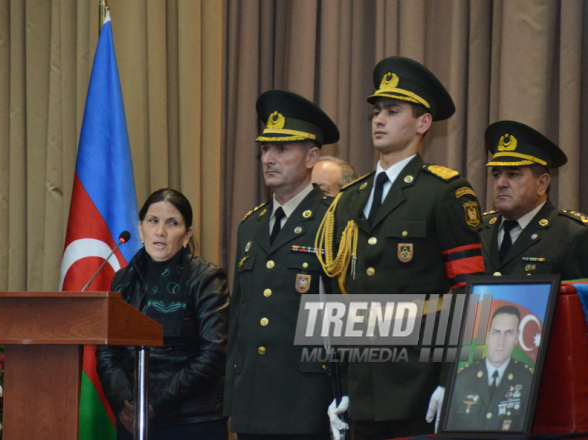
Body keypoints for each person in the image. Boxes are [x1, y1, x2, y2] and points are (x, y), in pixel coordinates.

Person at [317, 56, 485, 440]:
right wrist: (341, 387)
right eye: (377, 112)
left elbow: (469, 293)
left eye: (393, 111)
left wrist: (452, 380)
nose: (378, 120)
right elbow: (342, 300)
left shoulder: (443, 193)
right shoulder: (350, 198)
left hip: (420, 387)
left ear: (423, 123)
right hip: (363, 388)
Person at [224, 90, 339, 439]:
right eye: (265, 149)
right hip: (251, 402)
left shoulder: (334, 220)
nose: (269, 159)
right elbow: (238, 324)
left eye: (282, 149)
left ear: (312, 157)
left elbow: (345, 317)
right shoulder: (251, 225)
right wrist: (231, 397)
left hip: (307, 403)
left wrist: (343, 397)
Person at [96, 188, 229, 440]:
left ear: (187, 235)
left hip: (192, 421)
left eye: (173, 223)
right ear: (140, 229)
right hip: (132, 420)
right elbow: (106, 350)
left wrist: (154, 405)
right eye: (153, 221)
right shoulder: (122, 280)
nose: (160, 232)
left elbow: (213, 354)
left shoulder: (206, 278)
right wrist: (127, 404)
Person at [480, 120, 588, 278]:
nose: (501, 183)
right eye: (496, 175)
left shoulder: (572, 235)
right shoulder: (478, 231)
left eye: (513, 174)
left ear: (542, 183)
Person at [446, 306, 533, 432]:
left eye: (509, 332)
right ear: (487, 336)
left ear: (516, 337)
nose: (501, 341)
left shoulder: (527, 380)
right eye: (496, 332)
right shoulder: (462, 379)